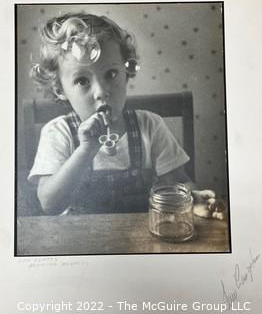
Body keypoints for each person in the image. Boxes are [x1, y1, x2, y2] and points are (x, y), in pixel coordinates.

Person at [28, 12, 220, 217]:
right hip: (81, 244)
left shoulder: (150, 125)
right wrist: (85, 150)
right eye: (82, 81)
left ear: (126, 72)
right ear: (60, 89)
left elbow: (178, 182)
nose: (101, 92)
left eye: (111, 74)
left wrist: (193, 199)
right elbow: (49, 204)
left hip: (144, 240)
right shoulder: (58, 132)